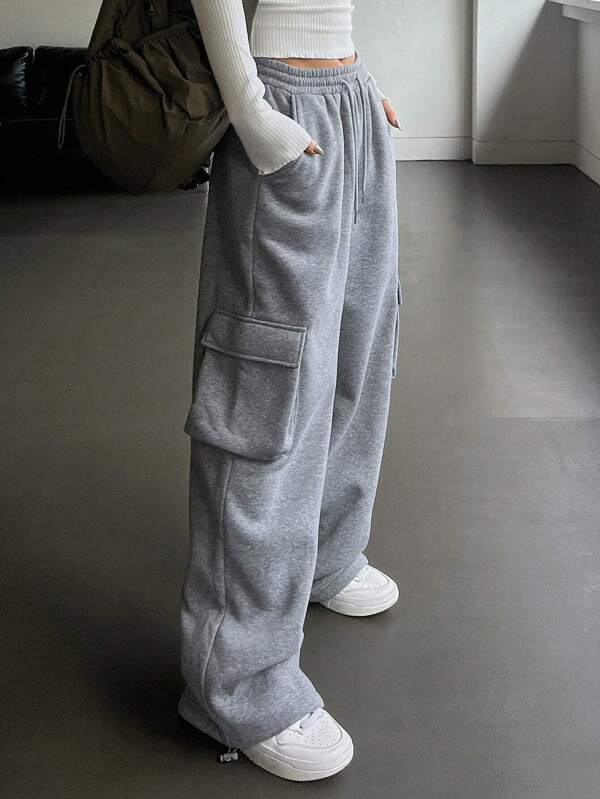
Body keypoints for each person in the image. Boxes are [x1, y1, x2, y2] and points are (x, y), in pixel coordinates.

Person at [178, 0, 403, 782]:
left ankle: (326, 554)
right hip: (278, 97)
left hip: (348, 94)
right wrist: (251, 110)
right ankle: (236, 681)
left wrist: (357, 86)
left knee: (360, 348)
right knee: (267, 385)